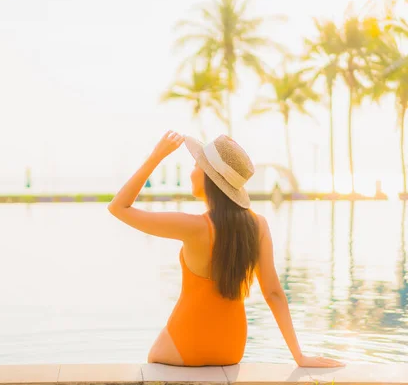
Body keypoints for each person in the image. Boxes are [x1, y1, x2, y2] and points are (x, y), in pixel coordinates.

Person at [108, 131, 344, 368]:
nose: (191, 172)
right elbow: (273, 293)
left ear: (208, 177)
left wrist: (156, 157)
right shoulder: (258, 225)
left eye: (195, 166)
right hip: (231, 347)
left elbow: (118, 207)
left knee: (154, 359)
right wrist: (299, 357)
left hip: (185, 343)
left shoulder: (192, 226)